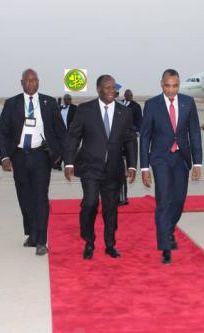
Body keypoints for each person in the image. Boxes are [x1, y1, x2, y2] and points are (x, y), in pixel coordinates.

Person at [64, 75, 137, 260]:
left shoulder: (124, 112)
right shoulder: (85, 110)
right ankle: (89, 241)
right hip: (90, 166)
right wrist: (69, 162)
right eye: (107, 88)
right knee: (90, 203)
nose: (112, 91)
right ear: (98, 89)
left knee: (110, 208)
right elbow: (73, 136)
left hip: (114, 169)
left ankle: (110, 244)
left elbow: (130, 140)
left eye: (114, 88)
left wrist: (132, 165)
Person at [0, 69, 65, 256]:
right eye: (27, 80)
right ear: (21, 83)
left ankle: (42, 240)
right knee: (24, 198)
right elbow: (2, 131)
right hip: (19, 156)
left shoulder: (49, 103)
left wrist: (59, 155)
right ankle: (32, 234)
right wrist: (5, 156)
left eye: (34, 80)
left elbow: (60, 130)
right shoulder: (12, 104)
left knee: (41, 198)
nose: (31, 83)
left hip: (41, 155)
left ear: (38, 82)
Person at [140, 69, 202, 265]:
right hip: (160, 159)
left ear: (178, 85)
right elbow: (145, 137)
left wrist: (197, 162)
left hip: (181, 159)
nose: (171, 90)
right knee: (164, 200)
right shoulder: (151, 105)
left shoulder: (188, 103)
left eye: (175, 86)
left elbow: (194, 133)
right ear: (161, 84)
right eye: (167, 86)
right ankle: (165, 247)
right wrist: (144, 167)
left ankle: (168, 229)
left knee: (179, 201)